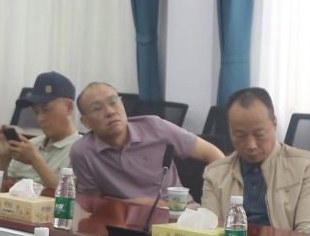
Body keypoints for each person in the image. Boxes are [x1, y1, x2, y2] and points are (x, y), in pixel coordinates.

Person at [200, 87, 310, 230]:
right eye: (240, 135)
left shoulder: (307, 167)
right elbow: (209, 231)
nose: (251, 145)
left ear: (274, 125)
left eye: (259, 134)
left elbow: (308, 235)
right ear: (230, 131)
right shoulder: (215, 174)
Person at [69, 82, 222, 200]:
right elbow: (92, 203)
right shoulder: (82, 152)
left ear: (123, 105)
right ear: (86, 122)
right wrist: (134, 204)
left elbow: (213, 154)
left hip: (178, 215)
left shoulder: (155, 127)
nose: (110, 111)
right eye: (97, 108)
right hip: (124, 221)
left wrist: (213, 204)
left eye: (114, 102)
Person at [0, 71, 82, 188]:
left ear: (69, 107)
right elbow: (1, 190)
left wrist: (35, 160)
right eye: (36, 112)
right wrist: (2, 157)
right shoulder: (29, 146)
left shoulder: (82, 151)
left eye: (46, 110)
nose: (40, 119)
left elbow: (67, 195)